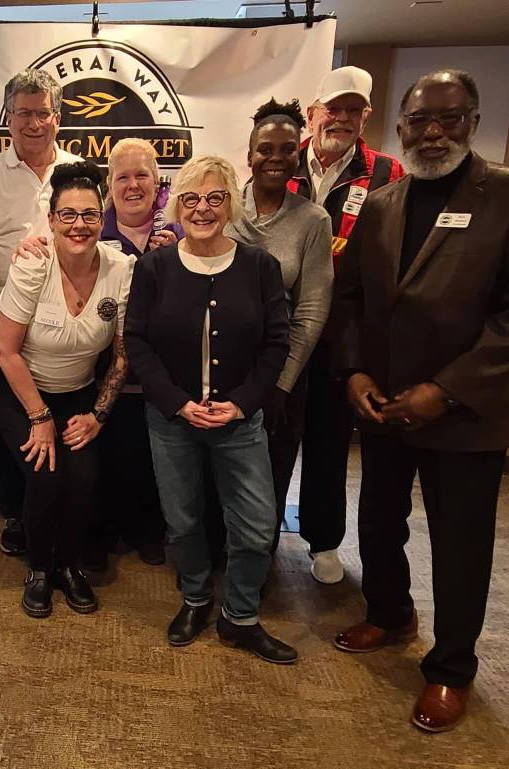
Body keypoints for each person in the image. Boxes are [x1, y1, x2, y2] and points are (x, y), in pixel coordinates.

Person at [330, 70, 509, 732]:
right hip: (383, 404)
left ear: (472, 121)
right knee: (378, 519)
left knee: (462, 544)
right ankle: (388, 610)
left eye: (450, 118)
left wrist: (448, 389)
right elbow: (350, 300)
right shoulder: (382, 203)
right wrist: (352, 372)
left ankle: (451, 668)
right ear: (400, 126)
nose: (434, 132)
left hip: (466, 412)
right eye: (420, 120)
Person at [124, 155, 296, 664]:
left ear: (231, 205)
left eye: (216, 198)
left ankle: (240, 617)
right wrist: (177, 403)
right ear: (177, 206)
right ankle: (196, 599)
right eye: (193, 199)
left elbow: (276, 344)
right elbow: (136, 341)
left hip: (240, 422)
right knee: (182, 521)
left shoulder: (259, 267)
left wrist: (241, 404)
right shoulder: (154, 268)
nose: (203, 209)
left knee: (257, 524)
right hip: (172, 420)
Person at [15, 139, 179, 571]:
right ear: (110, 188)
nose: (132, 185)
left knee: (147, 458)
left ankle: (147, 530)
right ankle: (91, 541)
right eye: (122, 176)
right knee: (102, 461)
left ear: (157, 180)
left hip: (160, 374)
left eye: (141, 174)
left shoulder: (177, 235)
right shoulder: (91, 234)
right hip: (98, 373)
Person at [0, 161, 134, 619]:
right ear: (50, 220)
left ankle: (70, 566)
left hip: (77, 390)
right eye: (67, 214)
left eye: (89, 214)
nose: (79, 225)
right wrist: (39, 417)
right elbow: (6, 351)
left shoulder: (121, 270)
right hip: (14, 383)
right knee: (45, 475)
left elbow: (123, 355)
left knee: (83, 476)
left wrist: (98, 416)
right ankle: (40, 570)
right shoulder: (32, 264)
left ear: (102, 216)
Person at [288, 66, 404, 584]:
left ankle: (323, 540)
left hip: (343, 333)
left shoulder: (388, 174)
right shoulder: (278, 162)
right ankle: (260, 531)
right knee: (271, 437)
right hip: (284, 330)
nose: (341, 118)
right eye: (332, 108)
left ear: (366, 117)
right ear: (313, 112)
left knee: (330, 443)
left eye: (352, 110)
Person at [0, 69, 82, 557]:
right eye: (23, 114)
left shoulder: (77, 171)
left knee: (64, 416)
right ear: (8, 119)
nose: (34, 124)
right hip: (3, 311)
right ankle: (16, 512)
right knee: (9, 426)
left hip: (67, 310)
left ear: (56, 117)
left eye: (43, 113)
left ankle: (68, 517)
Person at [225, 98, 333, 554]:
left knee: (267, 474)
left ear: (298, 154)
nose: (275, 158)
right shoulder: (224, 209)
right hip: (222, 367)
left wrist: (282, 384)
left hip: (281, 376)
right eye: (265, 148)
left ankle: (257, 564)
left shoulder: (312, 221)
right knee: (218, 471)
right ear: (248, 154)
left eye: (287, 149)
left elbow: (311, 310)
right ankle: (215, 557)